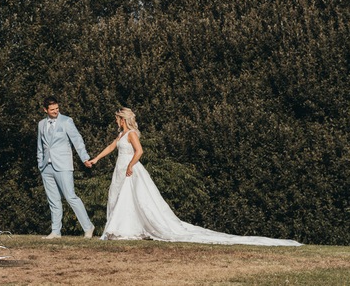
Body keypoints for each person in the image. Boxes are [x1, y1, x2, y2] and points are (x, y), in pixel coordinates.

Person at [87, 107, 302, 246]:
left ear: (121, 119)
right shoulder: (121, 134)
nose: (116, 121)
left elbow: (140, 151)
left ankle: (121, 228)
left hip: (130, 169)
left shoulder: (132, 134)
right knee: (118, 196)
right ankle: (119, 227)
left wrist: (131, 165)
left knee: (133, 198)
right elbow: (111, 147)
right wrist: (96, 159)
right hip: (120, 168)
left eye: (117, 119)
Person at [37, 96, 96, 239]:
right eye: (52, 110)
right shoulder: (41, 124)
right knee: (53, 200)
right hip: (46, 167)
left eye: (57, 108)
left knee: (70, 197)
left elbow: (77, 140)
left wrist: (85, 158)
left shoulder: (66, 121)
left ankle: (88, 227)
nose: (55, 111)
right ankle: (56, 231)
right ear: (45, 110)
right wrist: (40, 164)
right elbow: (40, 146)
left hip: (63, 165)